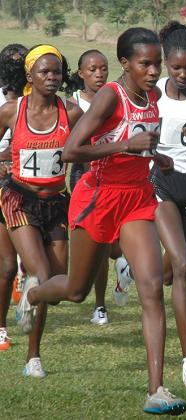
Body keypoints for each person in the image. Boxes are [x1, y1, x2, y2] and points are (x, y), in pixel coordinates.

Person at [15, 27, 186, 415]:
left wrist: (152, 156)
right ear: (125, 64)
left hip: (138, 199)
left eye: (156, 62)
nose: (153, 69)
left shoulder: (153, 95)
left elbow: (142, 138)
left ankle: (156, 389)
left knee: (151, 288)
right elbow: (73, 150)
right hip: (98, 198)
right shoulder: (111, 96)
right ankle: (34, 293)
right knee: (75, 291)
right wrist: (125, 146)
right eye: (145, 63)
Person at [112, 20, 186, 390]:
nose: (181, 74)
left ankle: (129, 273)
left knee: (166, 273)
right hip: (160, 185)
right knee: (181, 266)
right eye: (175, 67)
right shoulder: (155, 91)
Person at [0, 44, 82, 375]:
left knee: (57, 287)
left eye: (57, 72)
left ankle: (31, 314)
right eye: (44, 72)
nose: (51, 77)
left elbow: (86, 147)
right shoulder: (11, 111)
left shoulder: (71, 112)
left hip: (56, 202)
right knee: (36, 274)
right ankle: (33, 357)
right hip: (18, 199)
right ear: (29, 75)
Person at [68, 49, 110, 325]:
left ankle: (100, 304)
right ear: (81, 73)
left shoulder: (115, 99)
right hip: (82, 178)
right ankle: (96, 302)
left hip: (112, 179)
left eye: (103, 68)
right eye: (92, 69)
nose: (98, 74)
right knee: (94, 245)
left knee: (109, 245)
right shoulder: (71, 105)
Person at [0, 43, 28, 351]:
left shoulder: (37, 103)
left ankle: (24, 278)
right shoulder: (4, 106)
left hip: (25, 190)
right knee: (5, 265)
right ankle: (1, 327)